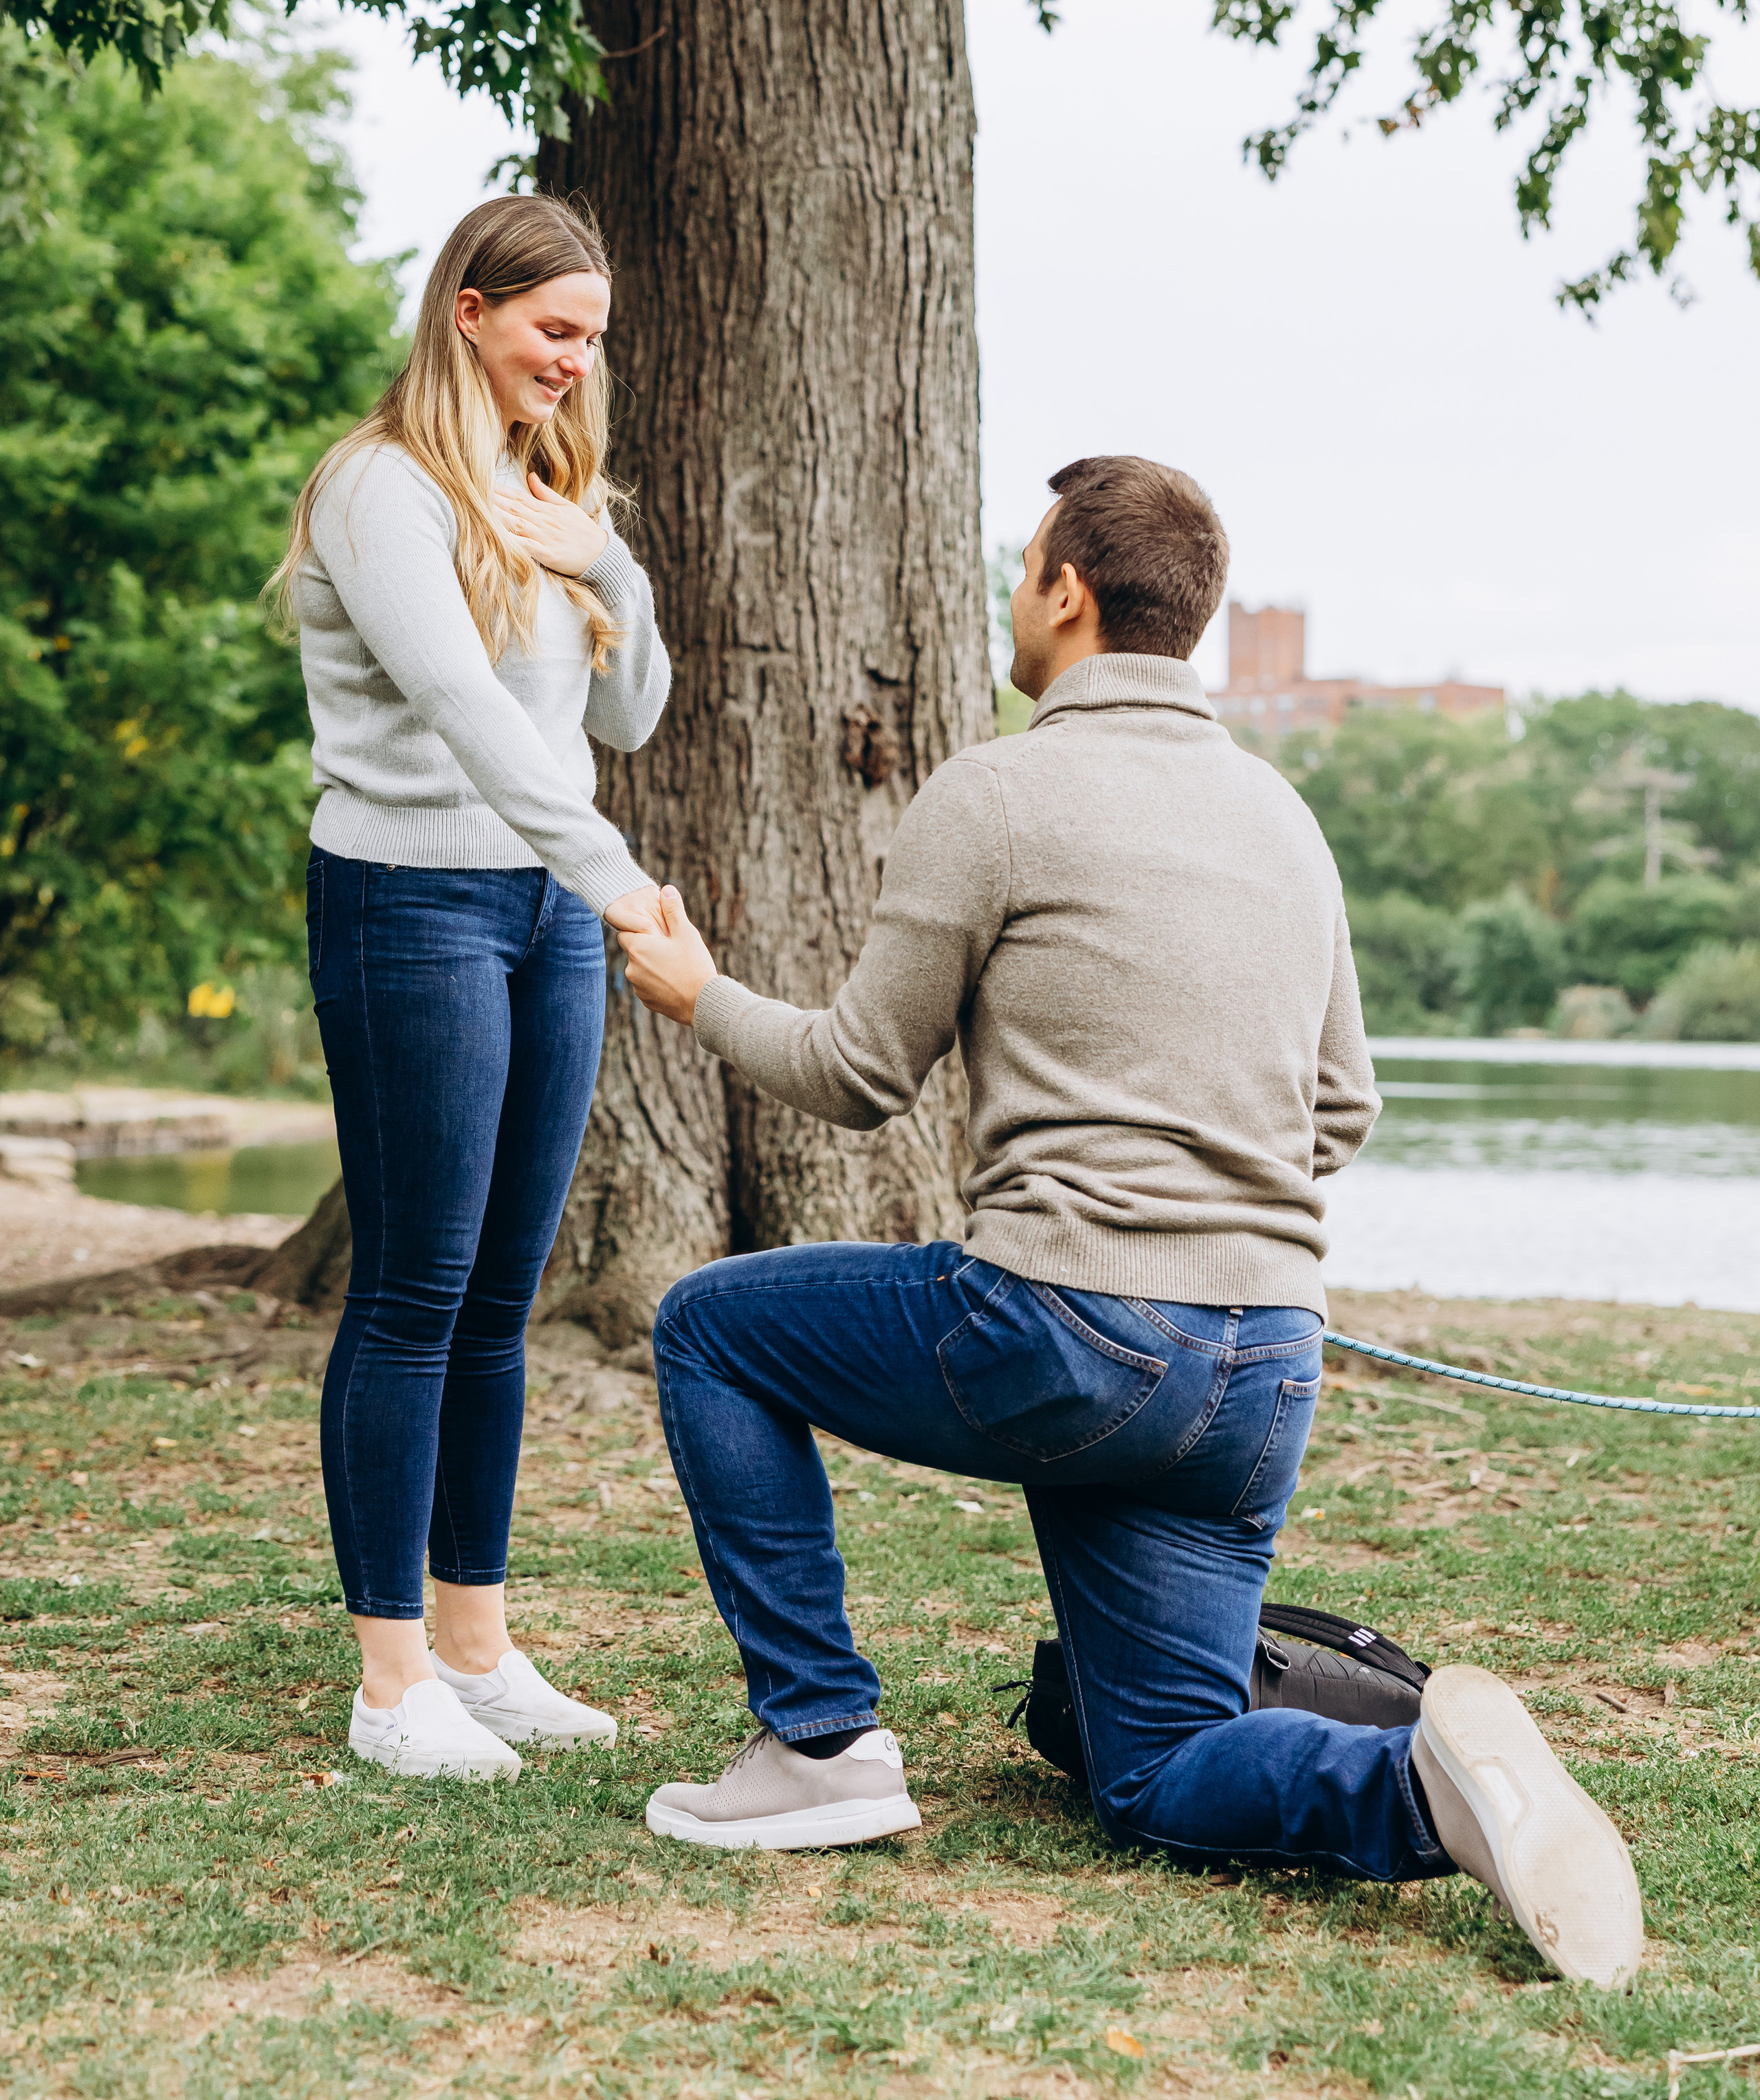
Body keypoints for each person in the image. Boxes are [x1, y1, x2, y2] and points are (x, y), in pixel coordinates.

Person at [614, 456, 1643, 1989]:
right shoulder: (1281, 816)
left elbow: (852, 1073)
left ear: (1066, 591)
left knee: (711, 1326)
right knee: (1158, 1767)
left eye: (1023, 563)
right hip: (1262, 1371)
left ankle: (817, 1736)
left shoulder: (997, 791)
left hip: (1071, 1333)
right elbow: (1341, 1106)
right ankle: (1427, 1788)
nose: (1011, 590)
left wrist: (698, 994)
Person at [271, 193, 671, 1782]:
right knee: (414, 1289)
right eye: (551, 328)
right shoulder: (382, 490)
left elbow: (624, 715)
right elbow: (461, 709)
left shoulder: (544, 491)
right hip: (406, 902)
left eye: (590, 336)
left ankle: (477, 1647)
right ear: (470, 314)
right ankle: (390, 1685)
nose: (575, 361)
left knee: (502, 1293)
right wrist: (619, 879)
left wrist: (612, 561)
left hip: (535, 914)